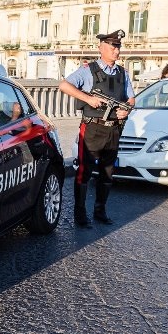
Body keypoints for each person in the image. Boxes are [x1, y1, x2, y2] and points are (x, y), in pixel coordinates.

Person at [59, 29, 135, 227]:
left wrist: (126, 110)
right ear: (101, 47)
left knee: (108, 173)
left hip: (113, 129)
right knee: (84, 171)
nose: (116, 51)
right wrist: (88, 99)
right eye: (112, 47)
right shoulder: (88, 70)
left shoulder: (123, 73)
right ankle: (80, 214)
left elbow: (131, 98)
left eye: (118, 47)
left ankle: (100, 211)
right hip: (92, 128)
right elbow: (64, 86)